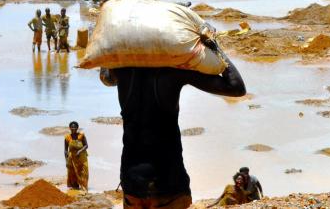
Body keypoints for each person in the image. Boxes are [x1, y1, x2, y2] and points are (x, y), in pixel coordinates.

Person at [99, 40, 245, 209]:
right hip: (168, 185)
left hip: (132, 185)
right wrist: (214, 47)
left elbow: (106, 78)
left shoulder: (121, 71)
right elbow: (236, 88)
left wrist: (108, 47)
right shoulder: (174, 72)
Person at [64, 121, 89, 191]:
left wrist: (80, 151)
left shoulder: (81, 135)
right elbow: (65, 150)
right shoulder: (67, 138)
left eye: (75, 127)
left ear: (77, 128)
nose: (73, 128)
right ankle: (75, 188)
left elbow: (86, 145)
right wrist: (66, 161)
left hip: (82, 157)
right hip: (72, 158)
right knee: (72, 173)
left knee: (83, 172)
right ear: (69, 128)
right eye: (72, 127)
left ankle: (84, 187)